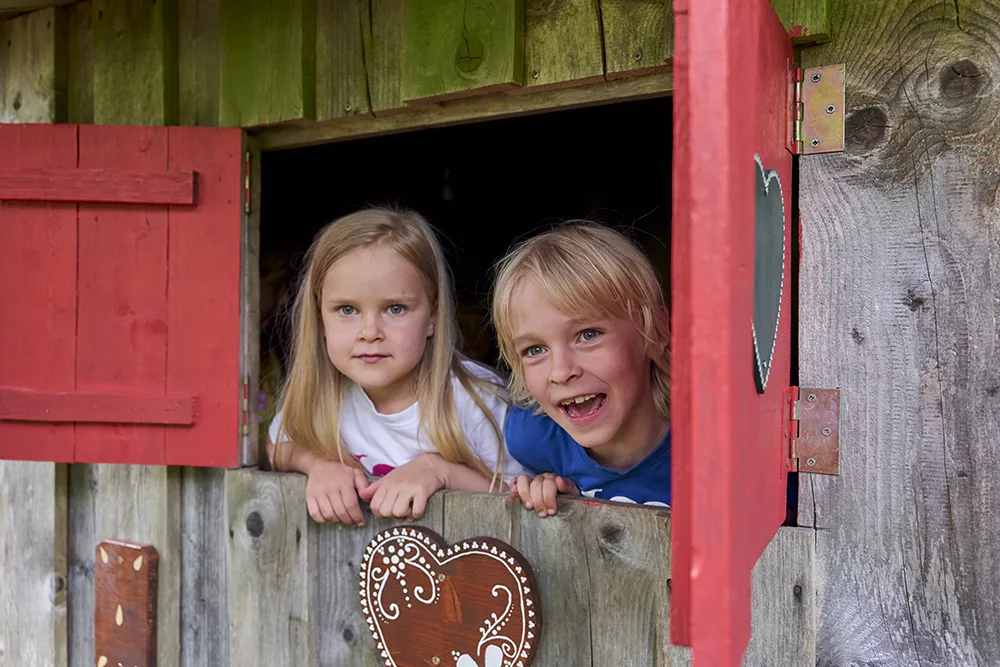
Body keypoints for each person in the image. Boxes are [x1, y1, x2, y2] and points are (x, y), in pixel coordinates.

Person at [267, 207, 525, 525]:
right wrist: (319, 465)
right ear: (320, 317)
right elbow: (275, 444)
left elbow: (523, 502)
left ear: (432, 315)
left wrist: (440, 470)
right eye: (347, 309)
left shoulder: (475, 399)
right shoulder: (325, 393)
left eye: (395, 308)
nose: (370, 332)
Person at [491, 221, 672, 517]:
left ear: (657, 330)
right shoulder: (535, 440)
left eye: (588, 335)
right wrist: (557, 496)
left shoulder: (720, 447)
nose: (561, 372)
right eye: (535, 350)